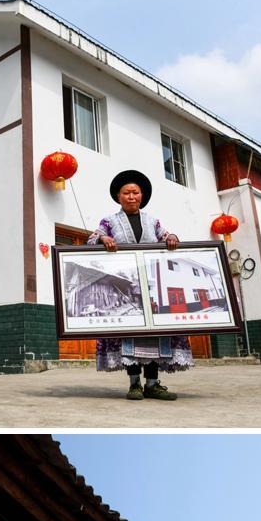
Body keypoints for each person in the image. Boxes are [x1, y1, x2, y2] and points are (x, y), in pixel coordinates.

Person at [87, 169, 193, 401]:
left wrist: (172, 237)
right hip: (123, 289)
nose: (131, 196)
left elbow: (167, 237)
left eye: (135, 192)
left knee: (154, 334)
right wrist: (104, 239)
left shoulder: (152, 222)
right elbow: (92, 239)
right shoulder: (109, 221)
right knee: (131, 334)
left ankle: (152, 384)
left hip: (152, 288)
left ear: (142, 196)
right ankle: (134, 384)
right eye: (126, 193)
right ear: (118, 197)